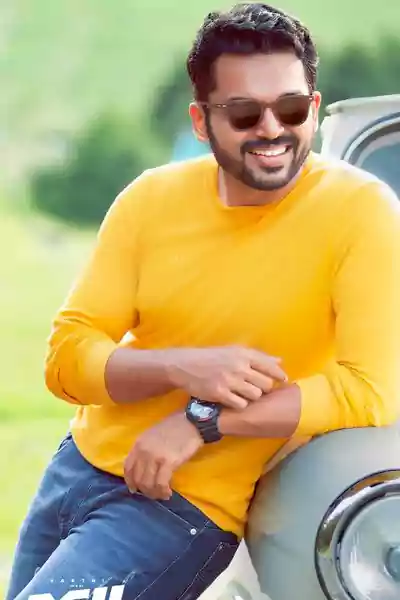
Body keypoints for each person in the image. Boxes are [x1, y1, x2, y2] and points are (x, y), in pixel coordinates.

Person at [7, 3, 400, 599]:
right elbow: (67, 358)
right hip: (78, 467)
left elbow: (369, 390)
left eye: (291, 108)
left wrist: (201, 422)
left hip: (179, 505)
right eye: (244, 113)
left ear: (314, 109)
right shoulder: (150, 200)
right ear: (200, 120)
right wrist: (180, 367)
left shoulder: (362, 214)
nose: (271, 129)